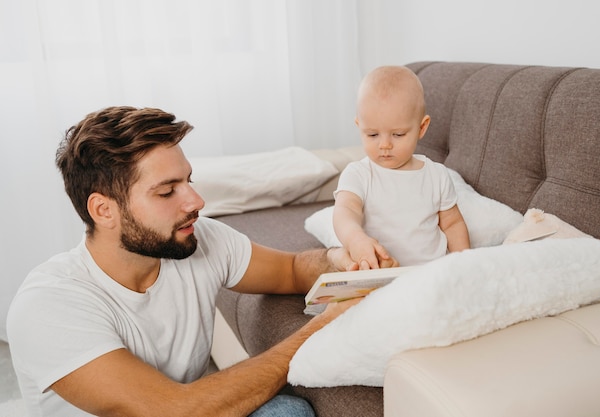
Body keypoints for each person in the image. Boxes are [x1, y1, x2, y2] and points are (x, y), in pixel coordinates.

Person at [6, 106, 374, 417]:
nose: (196, 201)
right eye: (167, 191)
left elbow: (291, 270)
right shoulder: (48, 306)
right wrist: (320, 329)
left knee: (289, 412)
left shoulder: (199, 239)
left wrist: (340, 259)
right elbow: (174, 410)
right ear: (104, 210)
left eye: (188, 181)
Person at [333, 66, 470, 269]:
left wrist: (465, 262)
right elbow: (345, 211)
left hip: (431, 274)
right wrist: (355, 240)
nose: (384, 145)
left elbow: (452, 224)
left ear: (421, 128)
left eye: (397, 135)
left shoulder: (436, 175)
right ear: (359, 126)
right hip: (379, 274)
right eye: (372, 135)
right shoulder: (358, 174)